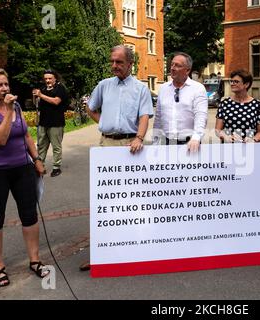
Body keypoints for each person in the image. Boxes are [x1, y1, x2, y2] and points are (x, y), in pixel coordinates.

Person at [80, 45, 153, 271]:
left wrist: (139, 137)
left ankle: (133, 250)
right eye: (112, 61)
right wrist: (103, 123)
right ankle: (102, 254)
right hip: (107, 145)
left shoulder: (141, 88)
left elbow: (144, 116)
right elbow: (91, 108)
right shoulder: (103, 85)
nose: (114, 66)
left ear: (130, 63)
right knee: (105, 202)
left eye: (119, 62)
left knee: (132, 200)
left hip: (131, 145)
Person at [0, 68, 49, 287]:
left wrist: (36, 158)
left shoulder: (15, 106)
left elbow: (25, 134)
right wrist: (7, 111)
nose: (5, 88)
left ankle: (35, 260)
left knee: (30, 215)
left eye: (6, 84)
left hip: (22, 168)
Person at [153, 52, 208, 152]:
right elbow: (158, 117)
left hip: (190, 144)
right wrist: (155, 141)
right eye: (172, 64)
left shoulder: (198, 88)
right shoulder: (163, 88)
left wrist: (196, 138)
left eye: (178, 65)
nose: (173, 68)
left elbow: (201, 115)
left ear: (187, 70)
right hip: (166, 144)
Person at [32, 70, 69, 177]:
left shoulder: (60, 88)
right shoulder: (43, 89)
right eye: (46, 79)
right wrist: (35, 96)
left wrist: (41, 95)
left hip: (56, 122)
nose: (47, 80)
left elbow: (56, 101)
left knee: (56, 146)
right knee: (41, 146)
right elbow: (36, 104)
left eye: (50, 78)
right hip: (43, 122)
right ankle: (40, 167)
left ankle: (56, 167)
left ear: (55, 78)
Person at [215, 69, 260, 143]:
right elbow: (218, 130)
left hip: (249, 148)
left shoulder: (257, 104)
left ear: (246, 84)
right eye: (231, 81)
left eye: (236, 81)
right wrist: (225, 136)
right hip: (228, 148)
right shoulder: (224, 103)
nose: (232, 84)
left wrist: (254, 139)